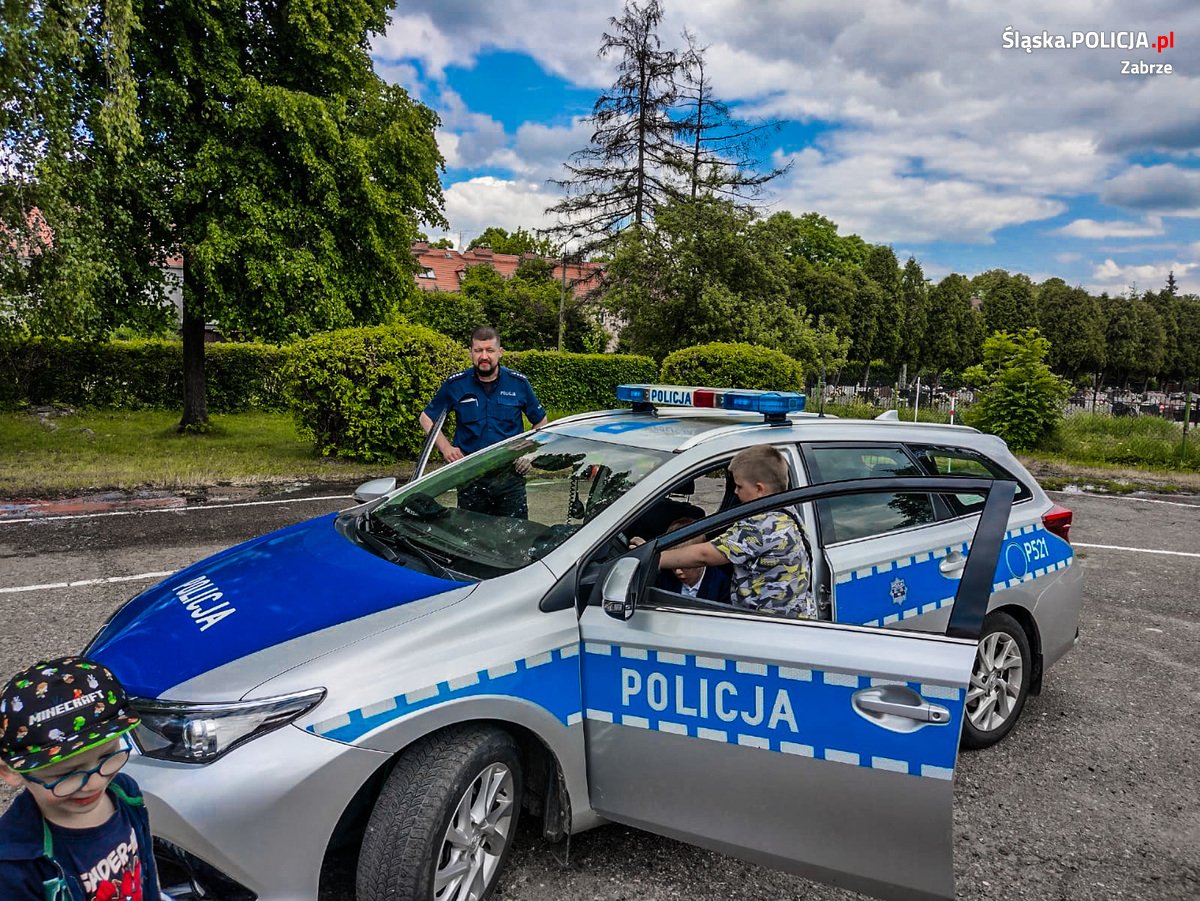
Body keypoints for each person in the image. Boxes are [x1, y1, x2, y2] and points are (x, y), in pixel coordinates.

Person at [0, 655, 164, 900]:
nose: (95, 783)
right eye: (67, 773)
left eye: (106, 756)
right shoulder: (13, 864)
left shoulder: (124, 791)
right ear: (10, 771)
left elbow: (145, 867)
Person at [656, 445, 815, 618]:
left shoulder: (760, 526)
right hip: (793, 619)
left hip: (768, 625)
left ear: (759, 489)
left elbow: (704, 555)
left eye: (739, 486)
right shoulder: (787, 512)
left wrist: (654, 556)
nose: (735, 491)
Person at [419, 326, 548, 518]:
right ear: (471, 352)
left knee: (515, 534)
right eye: (478, 350)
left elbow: (541, 422)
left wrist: (529, 453)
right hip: (470, 478)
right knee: (471, 533)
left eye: (490, 350)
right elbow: (426, 418)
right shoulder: (456, 384)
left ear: (500, 352)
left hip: (510, 478)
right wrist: (446, 449)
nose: (484, 356)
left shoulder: (518, 384)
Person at [654, 517, 732, 602]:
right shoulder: (664, 578)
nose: (678, 572)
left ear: (698, 560)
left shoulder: (721, 583)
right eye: (673, 565)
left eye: (684, 564)